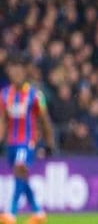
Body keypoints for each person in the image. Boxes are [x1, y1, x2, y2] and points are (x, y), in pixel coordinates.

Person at [0, 57, 55, 224]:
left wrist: (49, 144)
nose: (16, 74)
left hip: (28, 141)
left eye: (19, 70)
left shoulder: (36, 95)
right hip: (11, 143)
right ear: (9, 73)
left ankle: (10, 214)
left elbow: (45, 121)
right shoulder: (4, 95)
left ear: (24, 72)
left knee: (19, 169)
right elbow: (2, 120)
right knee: (21, 177)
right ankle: (38, 212)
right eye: (13, 70)